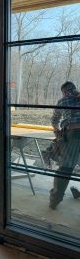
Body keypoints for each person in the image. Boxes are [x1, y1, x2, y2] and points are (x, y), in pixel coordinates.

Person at [49, 81, 80, 210]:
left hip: (74, 135)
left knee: (65, 169)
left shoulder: (63, 101)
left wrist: (57, 132)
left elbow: (54, 120)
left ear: (64, 91)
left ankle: (55, 201)